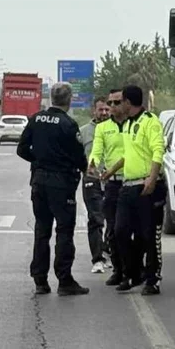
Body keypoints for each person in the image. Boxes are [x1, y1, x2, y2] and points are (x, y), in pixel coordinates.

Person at [16, 82, 90, 296]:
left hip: (39, 181)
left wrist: (39, 160)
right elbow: (78, 157)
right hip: (61, 184)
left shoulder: (36, 119)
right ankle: (64, 280)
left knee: (42, 229)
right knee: (64, 231)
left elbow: (22, 149)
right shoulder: (68, 124)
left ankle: (40, 280)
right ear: (69, 99)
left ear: (51, 98)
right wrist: (85, 170)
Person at [102, 85, 166, 295]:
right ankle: (132, 272)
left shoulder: (150, 122)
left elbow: (158, 150)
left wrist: (152, 178)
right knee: (119, 231)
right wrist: (111, 170)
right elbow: (129, 154)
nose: (117, 105)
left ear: (129, 103)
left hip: (146, 187)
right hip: (127, 187)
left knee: (148, 235)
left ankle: (152, 278)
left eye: (120, 102)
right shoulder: (129, 125)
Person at [90, 88, 143, 285]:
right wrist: (93, 163)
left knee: (136, 229)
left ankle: (137, 269)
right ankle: (119, 270)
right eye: (109, 103)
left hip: (133, 181)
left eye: (116, 102)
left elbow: (133, 153)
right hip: (112, 185)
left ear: (126, 103)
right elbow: (97, 150)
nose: (112, 107)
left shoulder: (134, 125)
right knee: (113, 230)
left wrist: (112, 169)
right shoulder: (103, 128)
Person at [78, 97, 110, 274]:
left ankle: (108, 251)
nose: (104, 113)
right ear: (94, 111)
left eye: (107, 109)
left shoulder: (116, 130)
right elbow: (76, 156)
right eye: (100, 110)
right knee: (96, 219)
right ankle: (97, 258)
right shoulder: (83, 132)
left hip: (113, 181)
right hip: (92, 181)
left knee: (114, 221)